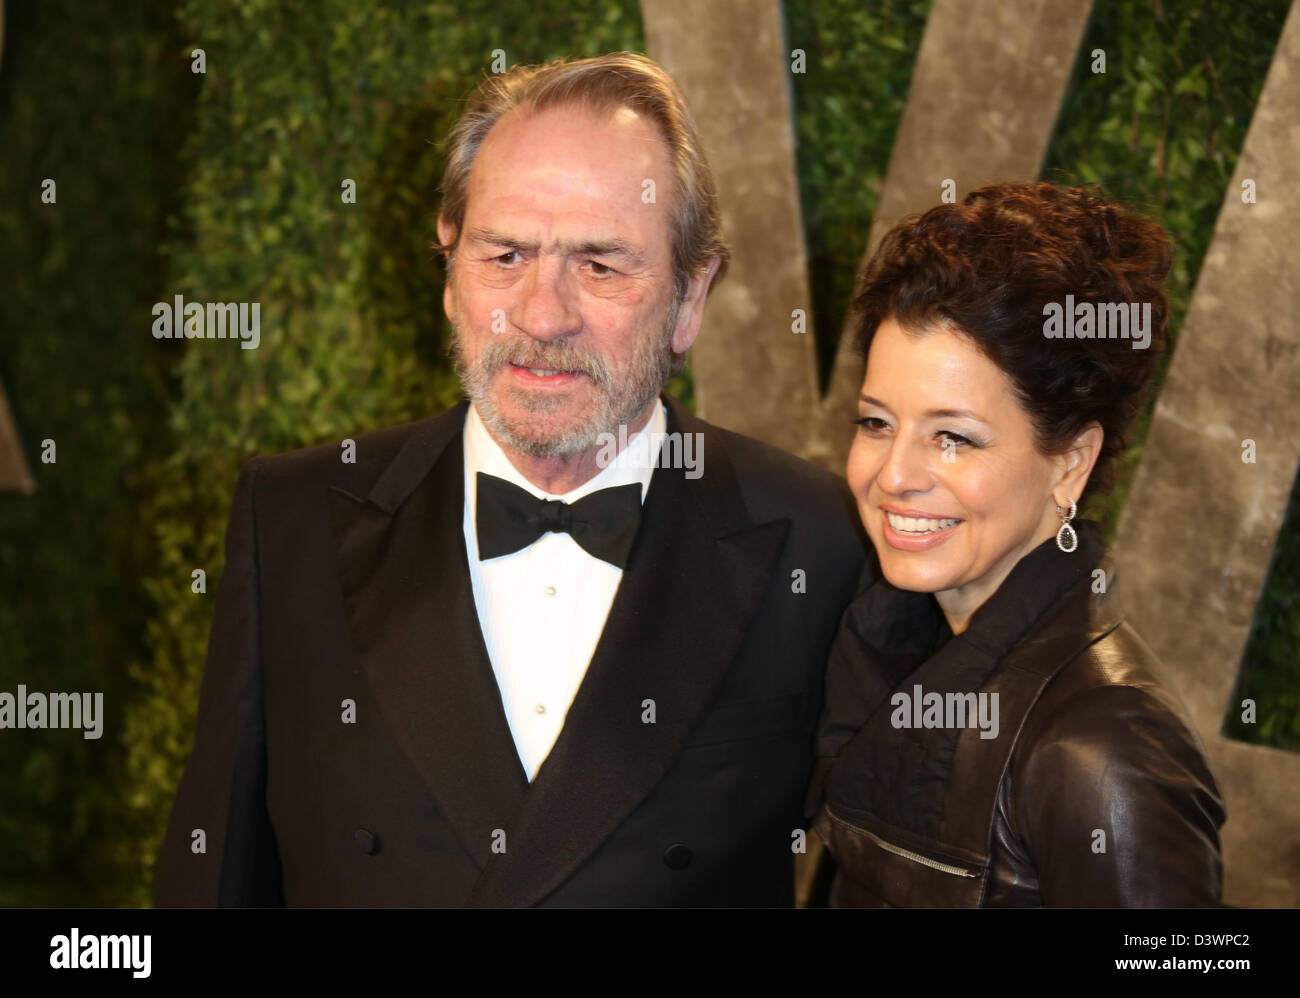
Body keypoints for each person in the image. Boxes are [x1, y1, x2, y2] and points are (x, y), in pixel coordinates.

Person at [153, 53, 865, 907]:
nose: (542, 314)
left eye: (600, 264)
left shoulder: (814, 535)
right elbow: (215, 874)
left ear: (689, 297)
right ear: (450, 269)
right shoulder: (292, 520)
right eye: (505, 255)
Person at [805, 182, 1225, 907]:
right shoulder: (886, 646)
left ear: (1071, 463)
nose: (893, 476)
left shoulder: (1105, 754)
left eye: (953, 437)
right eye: (876, 423)